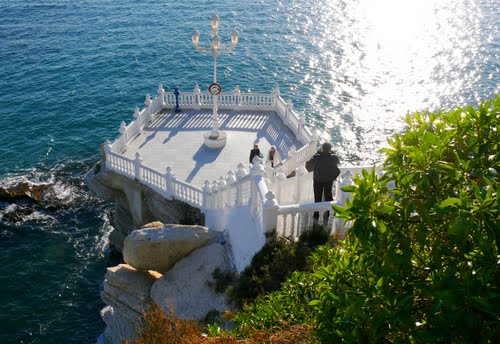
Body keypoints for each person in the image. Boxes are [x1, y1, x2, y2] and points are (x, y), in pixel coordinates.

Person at [306, 142, 341, 221]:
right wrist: (332, 178)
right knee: (328, 196)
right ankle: (330, 213)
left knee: (317, 197)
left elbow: (308, 165)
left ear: (322, 148)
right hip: (328, 180)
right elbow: (337, 164)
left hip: (317, 180)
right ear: (330, 149)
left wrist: (318, 153)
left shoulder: (317, 157)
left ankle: (316, 214)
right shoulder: (333, 157)